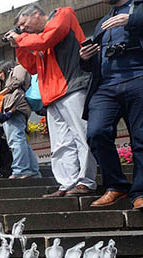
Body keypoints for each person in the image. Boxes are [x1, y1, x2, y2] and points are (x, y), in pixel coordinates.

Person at [7, 3, 96, 198]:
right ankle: (66, 183)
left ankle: (86, 181)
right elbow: (31, 68)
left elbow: (46, 40)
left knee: (82, 136)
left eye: (23, 24)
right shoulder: (36, 39)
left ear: (37, 13)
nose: (23, 29)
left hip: (72, 86)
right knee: (60, 143)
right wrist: (19, 47)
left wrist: (21, 38)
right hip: (51, 95)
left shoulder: (63, 14)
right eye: (20, 28)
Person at [81, 0, 143, 209]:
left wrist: (132, 19)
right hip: (105, 86)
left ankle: (140, 192)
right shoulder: (103, 21)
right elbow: (98, 58)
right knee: (96, 132)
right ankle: (116, 186)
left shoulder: (139, 7)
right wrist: (86, 58)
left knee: (141, 137)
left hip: (138, 76)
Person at [0, 61, 41, 178]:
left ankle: (21, 170)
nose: (0, 76)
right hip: (11, 110)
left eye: (0, 73)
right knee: (20, 141)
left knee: (16, 141)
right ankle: (33, 171)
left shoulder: (19, 67)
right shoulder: (6, 84)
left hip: (15, 108)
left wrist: (1, 92)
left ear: (7, 68)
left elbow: (17, 81)